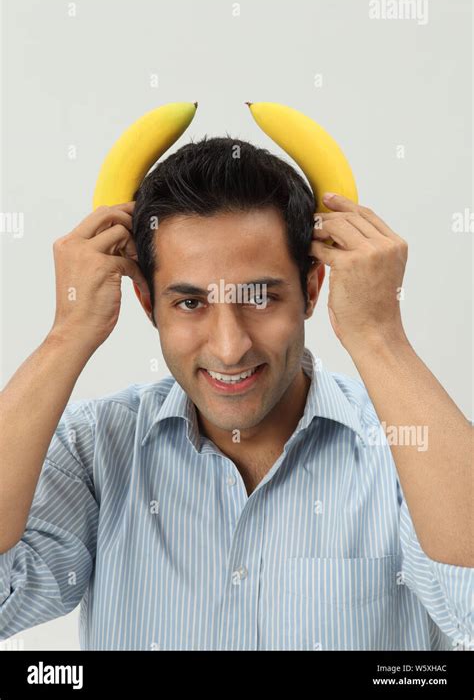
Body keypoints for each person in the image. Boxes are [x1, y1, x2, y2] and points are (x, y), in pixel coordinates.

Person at [0, 137, 472, 650]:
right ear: (145, 300)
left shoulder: (402, 450)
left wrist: (380, 335)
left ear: (313, 289)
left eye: (261, 297)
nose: (230, 348)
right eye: (190, 304)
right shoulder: (93, 451)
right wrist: (67, 333)